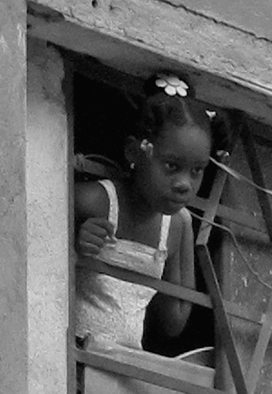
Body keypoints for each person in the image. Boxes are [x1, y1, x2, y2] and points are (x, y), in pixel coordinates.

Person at [75, 72, 217, 351]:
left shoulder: (175, 226)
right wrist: (74, 242)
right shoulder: (96, 202)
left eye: (197, 171)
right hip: (74, 357)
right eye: (171, 166)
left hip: (126, 368)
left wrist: (184, 232)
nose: (184, 185)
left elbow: (174, 321)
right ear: (133, 152)